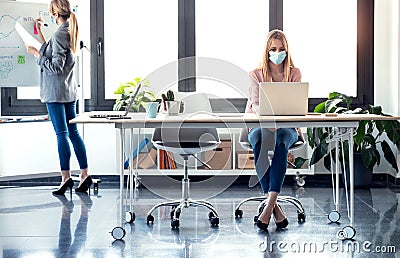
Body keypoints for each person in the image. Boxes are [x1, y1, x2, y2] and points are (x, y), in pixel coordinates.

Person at [26, 0, 92, 195]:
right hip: (68, 92)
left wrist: (36, 54)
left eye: (51, 13)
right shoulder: (69, 31)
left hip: (55, 93)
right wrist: (40, 32)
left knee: (61, 134)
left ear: (55, 13)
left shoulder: (60, 34)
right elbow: (54, 49)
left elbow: (55, 67)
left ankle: (65, 178)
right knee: (73, 133)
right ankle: (85, 174)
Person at [245, 29, 302, 230]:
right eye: (273, 49)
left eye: (281, 49)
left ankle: (267, 208)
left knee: (280, 142)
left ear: (287, 50)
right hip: (260, 125)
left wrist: (279, 123)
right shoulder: (255, 74)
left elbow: (296, 105)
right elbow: (256, 103)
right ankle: (274, 209)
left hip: (286, 127)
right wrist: (268, 121)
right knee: (259, 139)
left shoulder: (294, 73)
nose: (277, 53)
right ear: (267, 51)